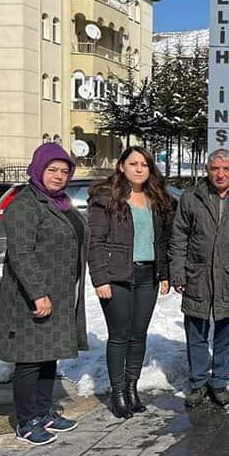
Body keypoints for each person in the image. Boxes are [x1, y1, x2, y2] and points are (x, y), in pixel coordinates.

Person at [0, 143, 87, 446]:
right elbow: (21, 253)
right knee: (29, 360)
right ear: (38, 169)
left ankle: (43, 412)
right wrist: (38, 294)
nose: (58, 176)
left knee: (48, 356)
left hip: (58, 291)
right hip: (30, 297)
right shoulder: (25, 204)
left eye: (64, 171)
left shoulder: (60, 203)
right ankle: (26, 421)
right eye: (52, 169)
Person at [170, 149, 229, 408]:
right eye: (215, 168)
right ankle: (198, 383)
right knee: (196, 334)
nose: (220, 174)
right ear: (207, 170)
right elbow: (179, 237)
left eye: (226, 169)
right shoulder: (191, 197)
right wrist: (178, 272)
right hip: (197, 276)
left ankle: (219, 382)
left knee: (225, 335)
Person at [88, 146, 174, 419]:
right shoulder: (106, 198)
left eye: (144, 164)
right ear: (121, 166)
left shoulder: (157, 199)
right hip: (117, 277)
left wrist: (165, 273)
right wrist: (100, 279)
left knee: (138, 335)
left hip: (148, 276)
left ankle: (132, 388)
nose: (139, 169)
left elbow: (163, 240)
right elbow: (95, 242)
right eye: (133, 163)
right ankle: (118, 393)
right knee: (119, 336)